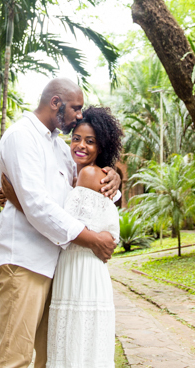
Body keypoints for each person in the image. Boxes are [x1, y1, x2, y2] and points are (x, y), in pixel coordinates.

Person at [0, 78, 121, 368]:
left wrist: (114, 179)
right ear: (56, 103)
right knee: (15, 357)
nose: (79, 116)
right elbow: (38, 205)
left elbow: (79, 193)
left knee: (50, 358)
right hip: (24, 261)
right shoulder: (21, 137)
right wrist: (91, 239)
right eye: (76, 108)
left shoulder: (59, 148)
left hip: (54, 266)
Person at [45, 106, 123, 368]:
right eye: (76, 138)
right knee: (83, 343)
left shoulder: (90, 174)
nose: (81, 145)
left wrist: (17, 199)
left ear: (101, 147)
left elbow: (58, 219)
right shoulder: (85, 173)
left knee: (74, 342)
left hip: (80, 268)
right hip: (82, 266)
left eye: (90, 141)